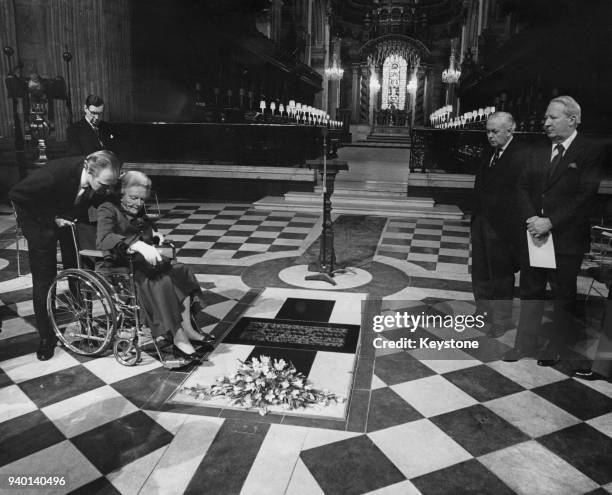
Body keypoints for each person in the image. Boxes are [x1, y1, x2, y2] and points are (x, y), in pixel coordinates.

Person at [505, 96, 606, 365]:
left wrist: (550, 221)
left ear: (572, 120)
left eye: (553, 117)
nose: (545, 122)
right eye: (546, 117)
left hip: (566, 236)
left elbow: (585, 196)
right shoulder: (538, 150)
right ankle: (524, 345)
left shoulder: (589, 151)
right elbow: (522, 188)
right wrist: (532, 219)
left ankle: (557, 347)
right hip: (534, 234)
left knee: (562, 293)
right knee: (530, 290)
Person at [9, 151, 121, 360]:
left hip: (69, 219)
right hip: (40, 223)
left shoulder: (101, 181)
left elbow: (114, 199)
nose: (108, 190)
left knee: (79, 271)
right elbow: (17, 194)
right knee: (44, 279)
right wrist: (52, 218)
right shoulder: (54, 174)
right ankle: (46, 337)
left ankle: (86, 324)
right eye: (105, 185)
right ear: (89, 171)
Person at [96, 171, 213, 366]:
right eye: (133, 198)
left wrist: (156, 234)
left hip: (141, 262)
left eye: (142, 199)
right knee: (163, 281)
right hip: (119, 265)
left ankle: (189, 329)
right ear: (121, 193)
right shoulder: (107, 209)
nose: (138, 204)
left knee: (182, 271)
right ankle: (178, 337)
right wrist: (135, 244)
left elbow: (146, 225)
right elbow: (103, 239)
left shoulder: (137, 209)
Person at [471, 112, 526, 337]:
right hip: (482, 221)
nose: (490, 136)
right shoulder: (490, 153)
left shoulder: (520, 156)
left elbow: (521, 195)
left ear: (510, 130)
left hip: (503, 227)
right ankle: (482, 312)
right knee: (481, 271)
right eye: (488, 131)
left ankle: (502, 320)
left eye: (495, 131)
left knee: (501, 275)